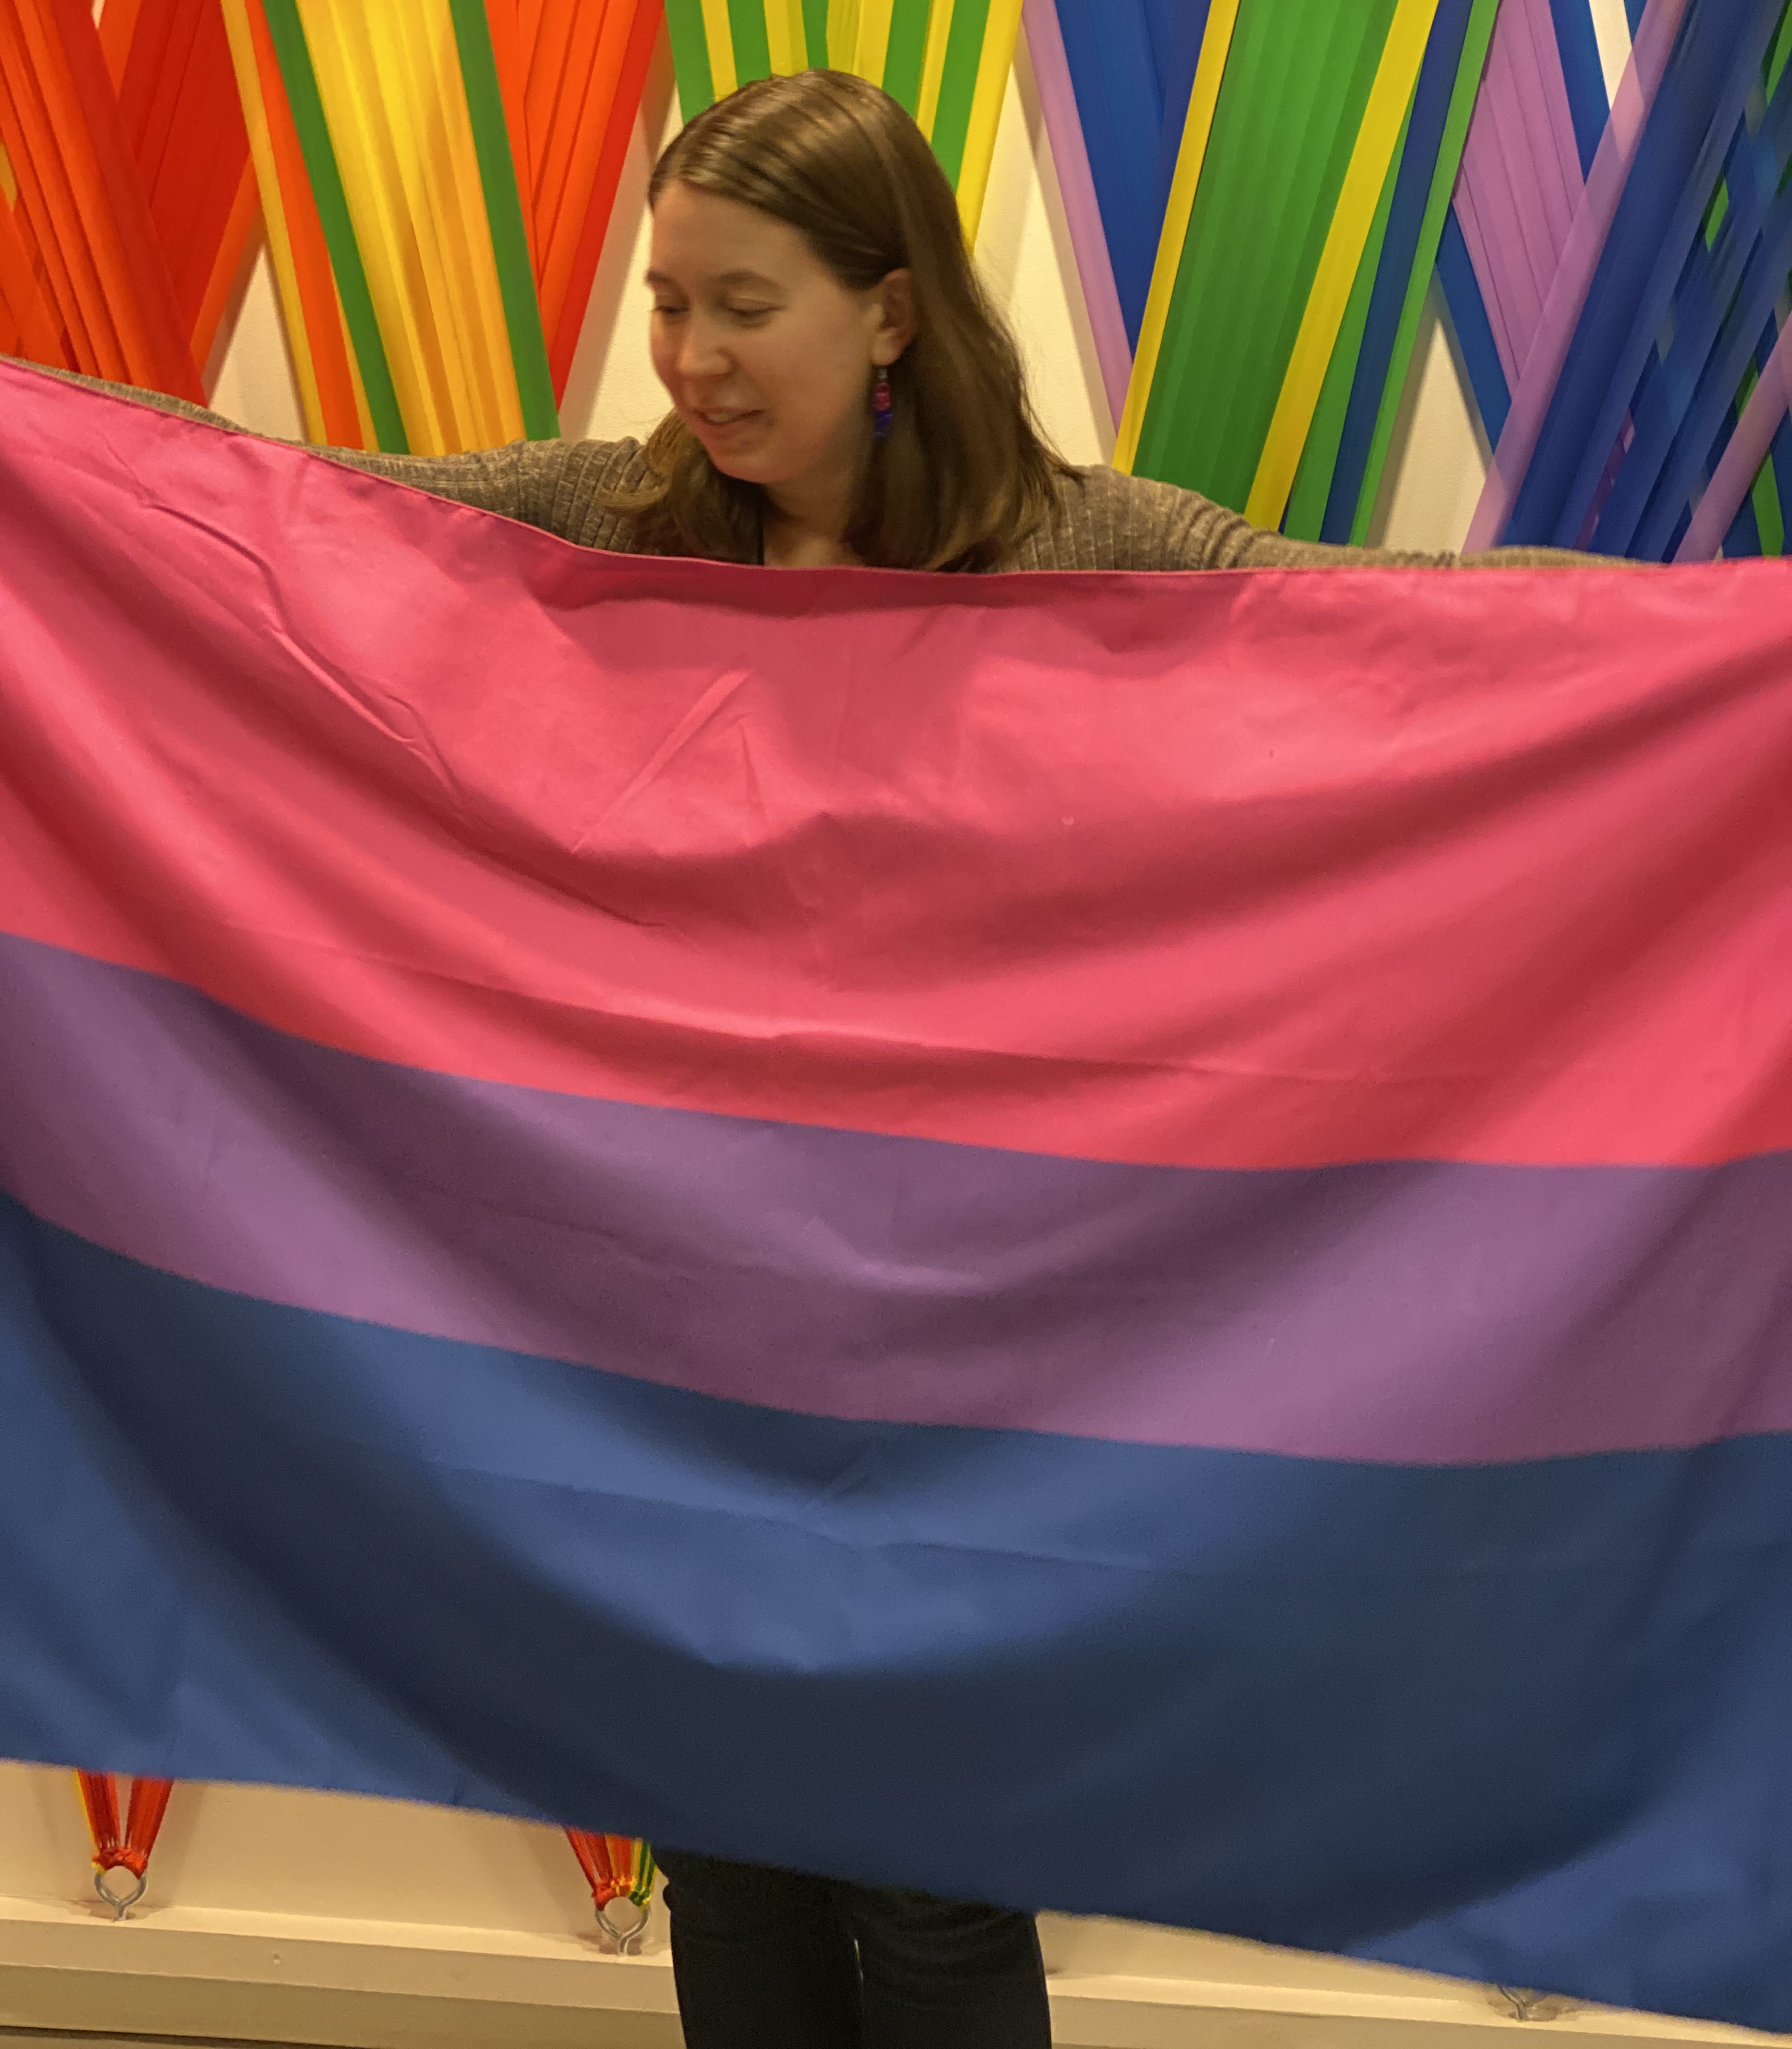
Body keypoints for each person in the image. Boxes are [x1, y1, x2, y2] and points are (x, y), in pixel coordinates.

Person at [13, 65, 1605, 2049]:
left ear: (893, 310)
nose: (685, 356)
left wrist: (1723, 665)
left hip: (977, 1354)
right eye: (668, 302)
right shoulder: (610, 527)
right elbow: (276, 523)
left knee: (932, 1876)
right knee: (732, 1848)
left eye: (737, 305)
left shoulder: (1090, 553)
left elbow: (1437, 641)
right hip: (684, 1352)